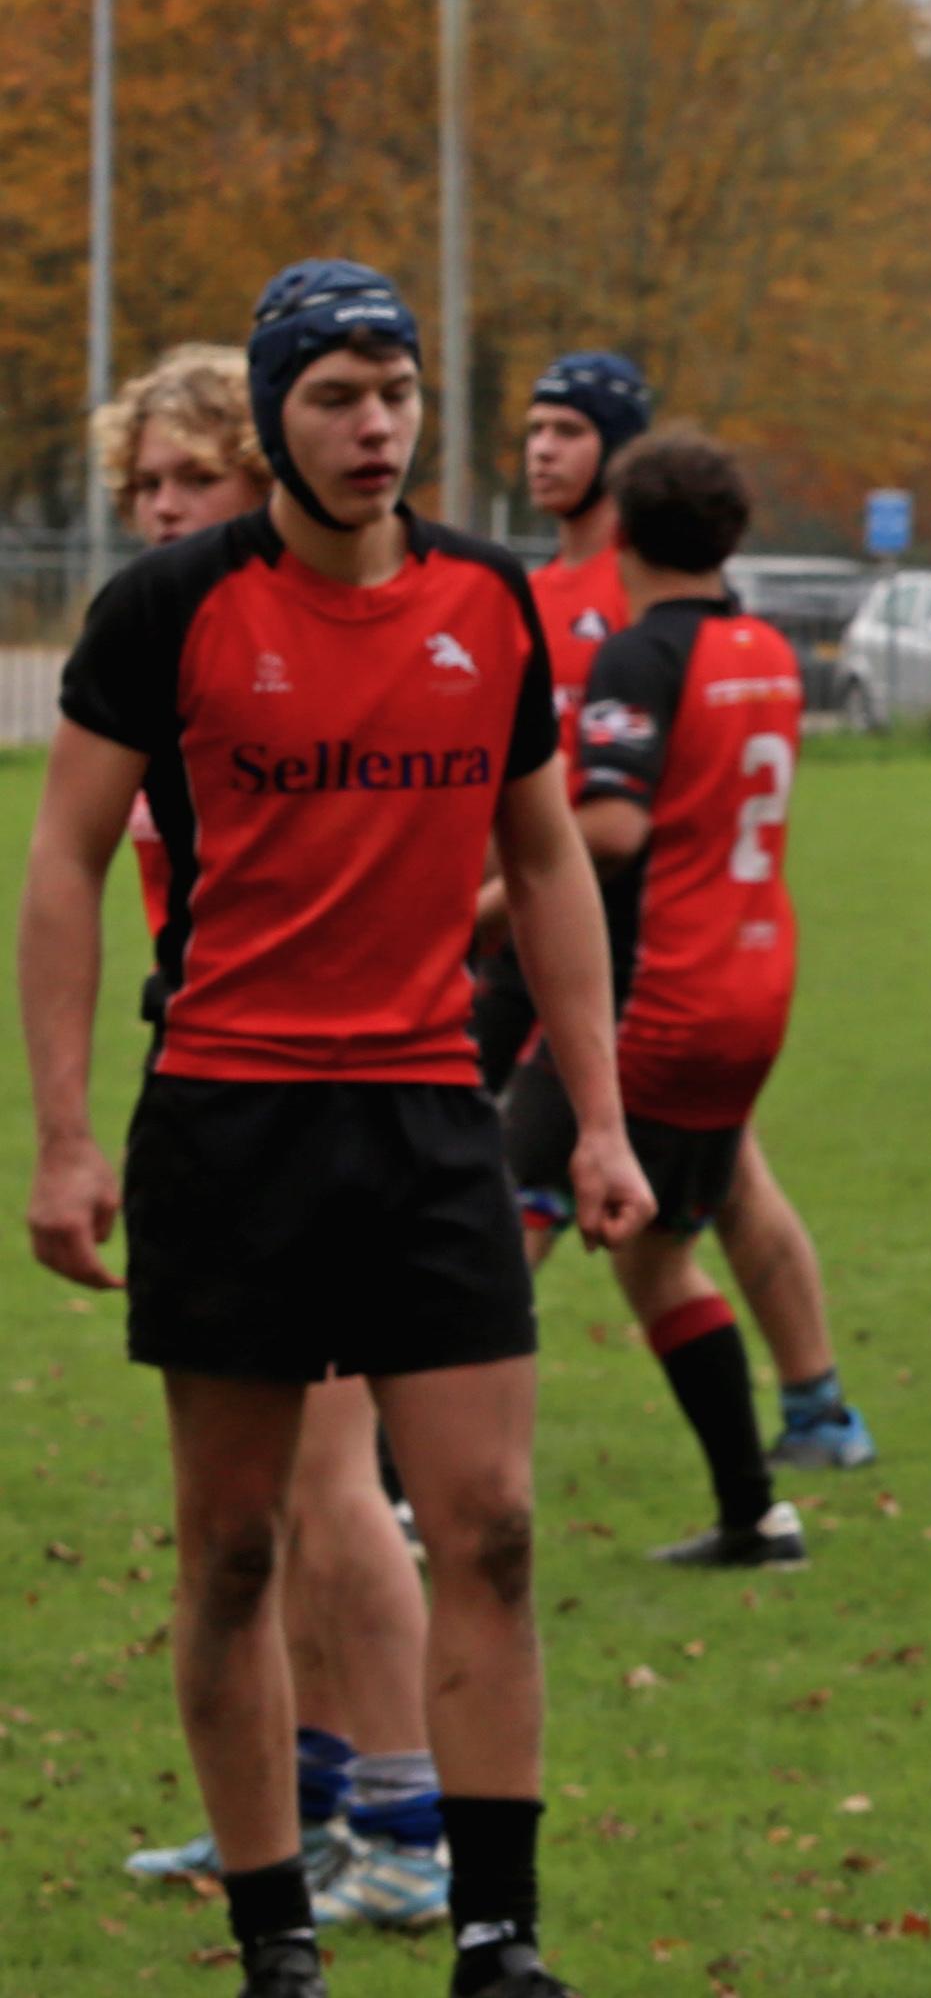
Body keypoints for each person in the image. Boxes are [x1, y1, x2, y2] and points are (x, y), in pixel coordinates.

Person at [21, 260, 654, 1998]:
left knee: (494, 1519)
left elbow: (544, 861)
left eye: (397, 391)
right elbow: (65, 858)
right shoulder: (169, 607)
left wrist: (596, 1116)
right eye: (336, 395)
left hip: (427, 1116)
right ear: (280, 415)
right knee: (236, 1542)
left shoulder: (490, 599)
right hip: (228, 1116)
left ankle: (496, 1932)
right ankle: (276, 1927)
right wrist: (66, 1134)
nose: (376, 425)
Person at [87, 349, 455, 1930]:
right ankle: (307, 1799)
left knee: (331, 1477)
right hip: (223, 1091)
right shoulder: (180, 643)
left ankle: (409, 1818)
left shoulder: (338, 633)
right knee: (284, 1493)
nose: (163, 508)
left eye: (193, 478)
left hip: (336, 1095)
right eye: (144, 485)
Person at [493, 350, 876, 1475]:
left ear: (619, 464)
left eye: (567, 430)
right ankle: (786, 1449)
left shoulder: (645, 622)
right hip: (685, 957)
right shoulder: (524, 594)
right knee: (671, 1216)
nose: (542, 450)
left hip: (632, 950)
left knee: (536, 1190)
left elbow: (615, 817)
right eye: (534, 429)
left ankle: (415, 1453)